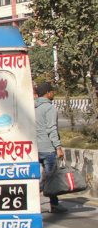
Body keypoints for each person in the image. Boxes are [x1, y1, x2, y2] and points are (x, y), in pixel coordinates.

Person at [35, 82, 67, 213]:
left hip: (35, 148)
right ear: (48, 92)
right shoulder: (49, 108)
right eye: (52, 91)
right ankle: (51, 203)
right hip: (48, 148)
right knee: (50, 178)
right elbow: (51, 129)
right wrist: (58, 147)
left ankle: (53, 203)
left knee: (48, 176)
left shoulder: (33, 107)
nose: (53, 93)